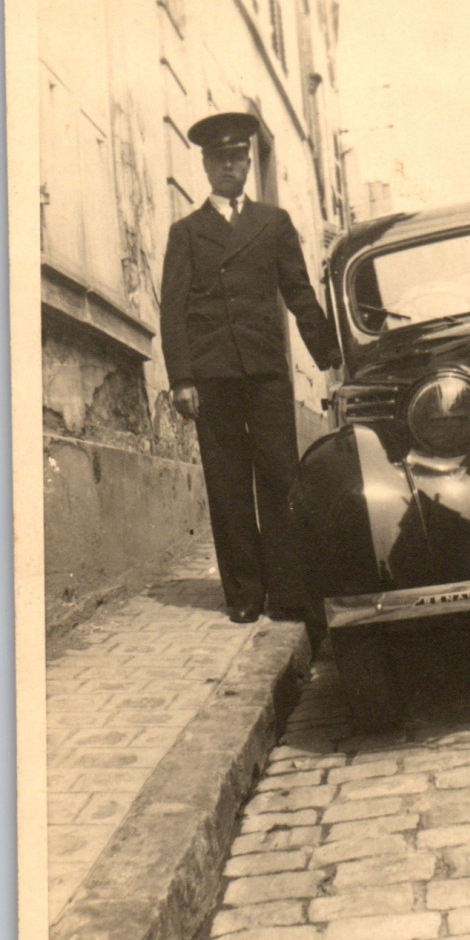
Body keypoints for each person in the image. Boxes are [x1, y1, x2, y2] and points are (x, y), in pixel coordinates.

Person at [160, 112, 342, 623]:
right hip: (212, 375)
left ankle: (287, 592)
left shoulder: (273, 222)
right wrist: (182, 378)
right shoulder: (187, 233)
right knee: (227, 481)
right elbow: (172, 308)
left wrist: (329, 353)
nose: (228, 167)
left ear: (247, 163)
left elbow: (299, 292)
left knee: (281, 478)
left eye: (237, 157)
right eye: (218, 159)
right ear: (204, 165)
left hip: (264, 370)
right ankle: (244, 593)